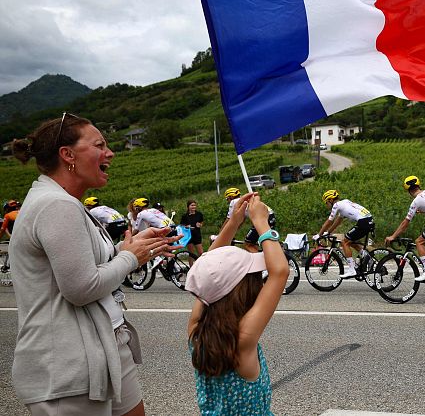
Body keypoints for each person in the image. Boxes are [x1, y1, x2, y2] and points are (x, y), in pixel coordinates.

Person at [9, 112, 174, 415]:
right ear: (67, 155)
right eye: (99, 145)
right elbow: (81, 287)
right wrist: (129, 257)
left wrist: (130, 247)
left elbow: (91, 265)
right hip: (69, 364)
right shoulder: (56, 205)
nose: (109, 153)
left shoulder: (65, 201)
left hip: (103, 347)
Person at [187, 192, 287, 416]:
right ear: (240, 291)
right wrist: (260, 222)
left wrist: (234, 222)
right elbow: (279, 272)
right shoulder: (242, 339)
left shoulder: (196, 332)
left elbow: (207, 269)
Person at [314, 190, 375, 279]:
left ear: (330, 200)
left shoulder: (336, 205)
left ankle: (351, 270)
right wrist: (329, 232)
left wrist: (319, 235)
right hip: (368, 220)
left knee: (344, 242)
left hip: (363, 222)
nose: (326, 205)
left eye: (326, 202)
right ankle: (368, 260)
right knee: (352, 242)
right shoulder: (344, 202)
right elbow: (338, 221)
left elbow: (329, 221)